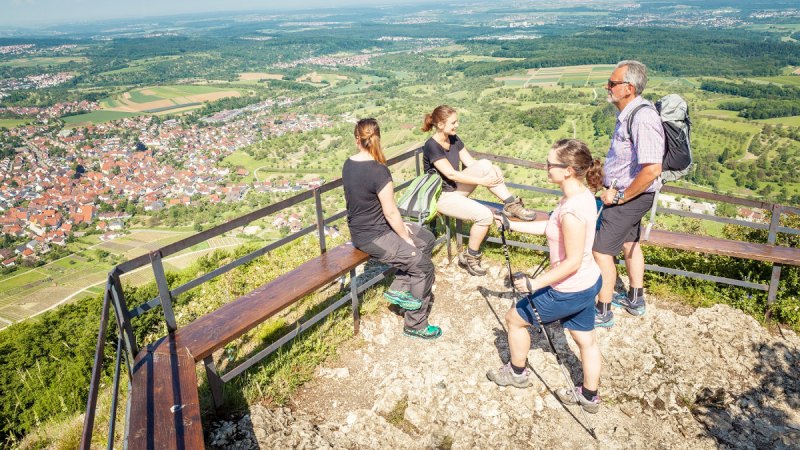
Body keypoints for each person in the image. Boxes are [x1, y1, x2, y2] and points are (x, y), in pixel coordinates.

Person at [486, 138, 604, 413]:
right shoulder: (580, 197)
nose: (545, 167)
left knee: (514, 319)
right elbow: (551, 228)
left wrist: (535, 283)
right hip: (589, 282)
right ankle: (589, 395)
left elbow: (572, 262)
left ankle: (517, 373)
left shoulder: (572, 210)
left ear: (568, 170)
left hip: (568, 287)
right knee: (585, 339)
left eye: (550, 164)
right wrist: (511, 226)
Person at [342, 118, 442, 340]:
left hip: (367, 230)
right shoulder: (379, 171)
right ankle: (415, 324)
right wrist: (405, 237)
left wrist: (405, 232)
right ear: (378, 137)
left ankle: (401, 292)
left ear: (356, 139)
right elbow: (391, 212)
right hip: (374, 236)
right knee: (424, 267)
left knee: (426, 238)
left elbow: (373, 208)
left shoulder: (348, 164)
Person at [422, 105, 537, 276]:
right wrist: (482, 181)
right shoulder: (432, 146)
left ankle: (510, 203)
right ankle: (470, 256)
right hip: (442, 197)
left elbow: (471, 163)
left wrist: (492, 167)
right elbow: (451, 174)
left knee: (484, 163)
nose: (457, 125)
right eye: (453, 122)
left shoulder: (454, 139)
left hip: (456, 191)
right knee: (485, 216)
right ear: (440, 125)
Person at [593, 60, 665, 328]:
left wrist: (622, 197)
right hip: (630, 195)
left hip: (628, 197)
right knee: (629, 243)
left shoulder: (642, 118)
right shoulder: (630, 114)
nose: (607, 87)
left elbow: (652, 169)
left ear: (629, 88)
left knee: (601, 251)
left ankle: (602, 310)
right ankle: (635, 299)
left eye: (612, 84)